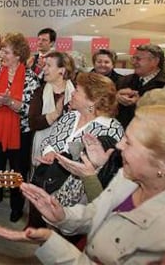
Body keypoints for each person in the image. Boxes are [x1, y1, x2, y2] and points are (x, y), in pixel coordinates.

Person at [0, 103, 165, 264]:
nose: (119, 146)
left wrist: (52, 241)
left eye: (129, 143)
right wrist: (62, 216)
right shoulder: (127, 177)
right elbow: (96, 214)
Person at [30, 72, 123, 228]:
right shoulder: (70, 116)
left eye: (77, 91)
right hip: (45, 182)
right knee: (40, 230)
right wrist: (49, 153)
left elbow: (107, 174)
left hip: (77, 202)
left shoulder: (112, 130)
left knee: (63, 242)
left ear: (92, 100)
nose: (72, 92)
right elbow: (50, 140)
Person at [0, 32, 40, 222]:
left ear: (18, 55)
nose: (2, 55)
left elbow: (31, 111)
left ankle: (16, 205)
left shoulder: (31, 78)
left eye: (6, 52)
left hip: (20, 133)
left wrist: (10, 102)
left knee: (18, 171)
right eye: (2, 51)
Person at [29, 51, 75, 167]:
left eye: (49, 66)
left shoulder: (77, 92)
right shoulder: (40, 91)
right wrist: (55, 114)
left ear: (62, 70)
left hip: (69, 153)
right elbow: (33, 123)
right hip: (42, 153)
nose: (44, 69)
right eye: (44, 65)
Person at [116, 43, 165, 128]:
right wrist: (116, 97)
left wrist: (141, 102)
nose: (133, 62)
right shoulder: (124, 81)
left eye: (138, 59)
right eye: (133, 58)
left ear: (155, 61)